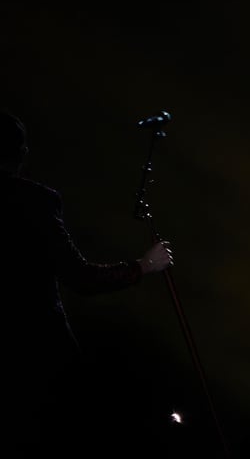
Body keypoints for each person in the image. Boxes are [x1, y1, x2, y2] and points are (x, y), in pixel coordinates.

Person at [0, 110, 174, 455]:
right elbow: (81, 278)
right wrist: (143, 265)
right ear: (20, 155)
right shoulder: (34, 201)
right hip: (34, 364)